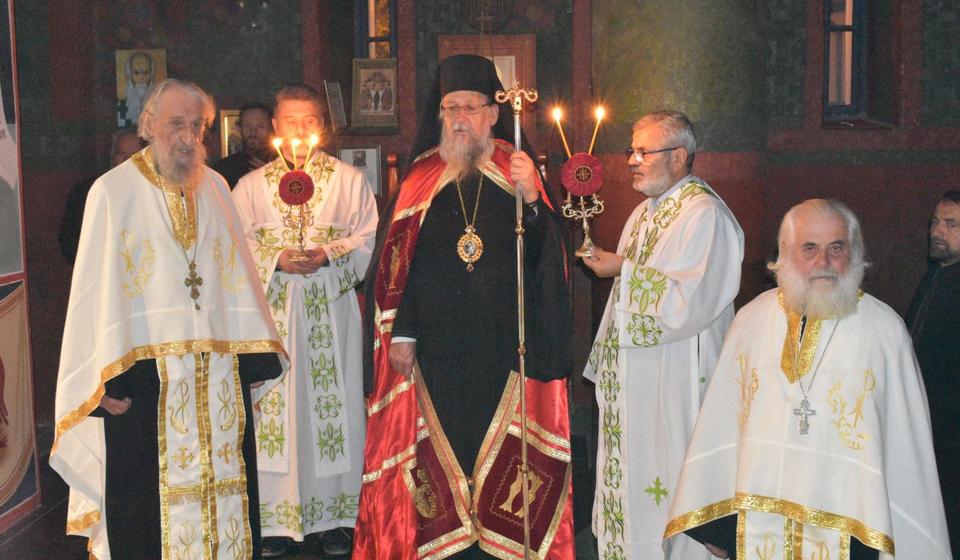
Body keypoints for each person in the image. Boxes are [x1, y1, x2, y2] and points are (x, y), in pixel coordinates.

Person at [50, 78, 287, 560]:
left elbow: (238, 279)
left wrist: (254, 359)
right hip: (143, 385)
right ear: (148, 124)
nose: (188, 136)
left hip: (217, 381)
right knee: (144, 518)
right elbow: (93, 295)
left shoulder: (216, 187)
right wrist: (101, 383)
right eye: (176, 123)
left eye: (197, 126)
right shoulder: (112, 192)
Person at [354, 54, 574, 559]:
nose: (459, 119)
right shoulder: (422, 177)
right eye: (450, 108)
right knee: (443, 450)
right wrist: (403, 331)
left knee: (499, 450)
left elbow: (548, 261)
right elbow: (398, 266)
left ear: (493, 113)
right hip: (438, 349)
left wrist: (533, 200)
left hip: (506, 344)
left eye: (470, 108)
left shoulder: (517, 170)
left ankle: (503, 548)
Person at [666, 199, 952, 559]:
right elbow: (720, 426)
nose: (823, 262)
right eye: (810, 248)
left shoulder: (884, 331)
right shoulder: (751, 321)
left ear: (854, 252)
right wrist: (716, 524)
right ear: (785, 251)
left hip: (851, 533)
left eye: (837, 248)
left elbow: (904, 449)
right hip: (754, 524)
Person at [581, 110, 743, 560]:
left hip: (678, 381)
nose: (632, 161)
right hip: (638, 382)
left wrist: (623, 269)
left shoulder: (706, 214)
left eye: (643, 152)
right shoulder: (642, 214)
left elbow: (693, 300)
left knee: (673, 482)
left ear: (677, 156)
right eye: (631, 151)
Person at [232, 84, 377, 558]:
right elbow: (231, 245)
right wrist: (275, 259)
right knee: (274, 415)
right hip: (273, 318)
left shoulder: (349, 181)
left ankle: (335, 520)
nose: (299, 130)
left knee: (333, 414)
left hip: (330, 316)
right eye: (290, 121)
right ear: (276, 126)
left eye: (308, 121)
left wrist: (327, 253)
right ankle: (274, 522)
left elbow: (369, 239)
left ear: (322, 126)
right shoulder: (250, 187)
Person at [905, 190, 960, 554]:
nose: (937, 231)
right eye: (935, 222)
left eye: (951, 224)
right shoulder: (936, 276)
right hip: (930, 427)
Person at [58, 128, 145, 265]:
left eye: (134, 155)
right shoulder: (87, 191)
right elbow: (69, 239)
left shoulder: (156, 194)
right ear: (112, 155)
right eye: (121, 153)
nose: (127, 160)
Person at [213, 103, 274, 189]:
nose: (253, 132)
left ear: (272, 128)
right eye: (247, 126)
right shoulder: (224, 168)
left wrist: (272, 176)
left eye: (260, 126)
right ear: (239, 129)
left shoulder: (285, 166)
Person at [120, 50, 156, 126]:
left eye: (145, 73)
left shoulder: (159, 106)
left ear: (151, 75)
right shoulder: (121, 107)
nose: (141, 79)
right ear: (129, 76)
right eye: (136, 73)